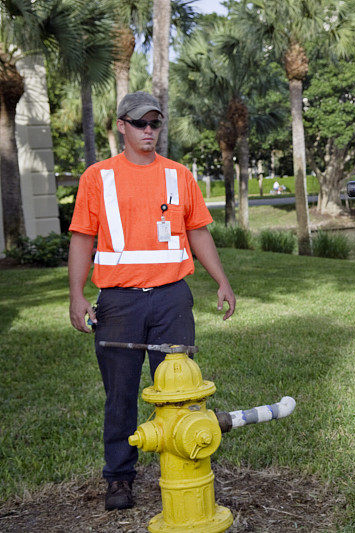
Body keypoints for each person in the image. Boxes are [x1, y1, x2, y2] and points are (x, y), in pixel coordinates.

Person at [67, 91, 237, 511]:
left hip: (171, 301)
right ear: (121, 125)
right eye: (140, 123)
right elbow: (82, 239)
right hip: (118, 304)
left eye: (155, 124)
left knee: (180, 392)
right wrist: (76, 295)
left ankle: (180, 467)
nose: (148, 131)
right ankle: (119, 479)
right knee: (121, 396)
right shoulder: (97, 177)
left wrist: (222, 280)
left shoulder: (179, 175)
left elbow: (198, 231)